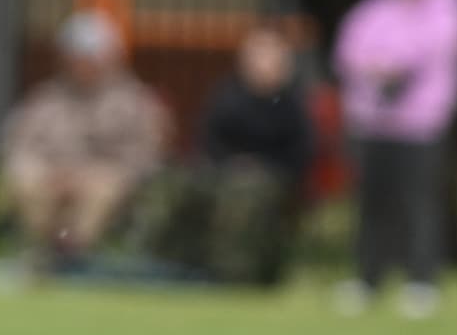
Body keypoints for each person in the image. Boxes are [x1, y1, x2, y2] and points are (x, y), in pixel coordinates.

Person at [333, 0, 457, 317]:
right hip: (374, 121)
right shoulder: (376, 8)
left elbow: (431, 49)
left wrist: (392, 63)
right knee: (372, 203)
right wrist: (374, 68)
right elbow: (349, 49)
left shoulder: (445, 7)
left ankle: (422, 280)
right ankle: (368, 278)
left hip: (420, 123)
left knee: (419, 203)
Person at [123, 23, 315, 286]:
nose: (261, 62)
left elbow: (299, 154)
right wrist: (229, 165)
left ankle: (232, 274)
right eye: (256, 54)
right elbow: (209, 140)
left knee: (245, 191)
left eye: (269, 55)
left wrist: (259, 167)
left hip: (270, 179)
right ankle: (156, 261)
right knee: (171, 183)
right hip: (222, 171)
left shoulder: (293, 104)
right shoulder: (227, 95)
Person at [0, 9, 170, 269]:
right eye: (75, 56)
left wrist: (88, 175)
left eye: (89, 56)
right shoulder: (45, 99)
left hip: (105, 175)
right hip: (53, 174)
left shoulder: (135, 102)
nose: (82, 64)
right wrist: (55, 173)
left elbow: (145, 153)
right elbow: (19, 143)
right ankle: (44, 247)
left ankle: (74, 251)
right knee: (25, 174)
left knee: (102, 188)